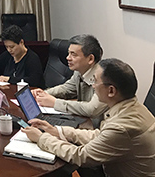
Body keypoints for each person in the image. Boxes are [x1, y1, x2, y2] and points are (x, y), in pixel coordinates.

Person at [23, 58, 155, 177]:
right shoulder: (135, 108)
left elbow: (80, 156)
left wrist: (41, 138)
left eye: (95, 81)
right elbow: (100, 136)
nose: (93, 85)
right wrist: (57, 131)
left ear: (111, 91)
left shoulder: (121, 127)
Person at [32, 34, 107, 125]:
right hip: (85, 123)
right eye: (68, 53)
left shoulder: (104, 78)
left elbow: (91, 109)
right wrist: (43, 94)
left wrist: (55, 103)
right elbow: (67, 89)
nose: (68, 58)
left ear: (90, 59)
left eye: (73, 54)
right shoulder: (79, 72)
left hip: (102, 128)